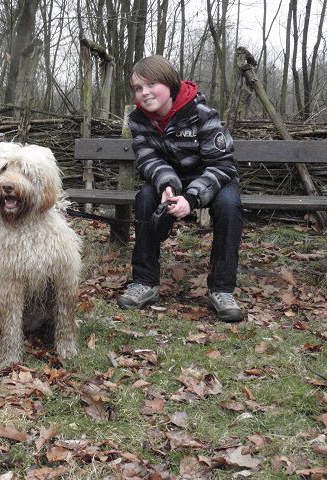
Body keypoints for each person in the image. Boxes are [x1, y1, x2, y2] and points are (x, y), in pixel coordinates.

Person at [116, 55, 244, 322]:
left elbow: (222, 165)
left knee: (229, 204)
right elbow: (148, 159)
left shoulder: (202, 114)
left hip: (213, 178)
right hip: (170, 181)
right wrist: (168, 185)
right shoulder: (138, 119)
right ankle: (144, 282)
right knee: (145, 197)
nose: (144, 92)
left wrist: (191, 198)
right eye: (138, 88)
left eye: (151, 84)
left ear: (170, 83)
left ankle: (222, 289)